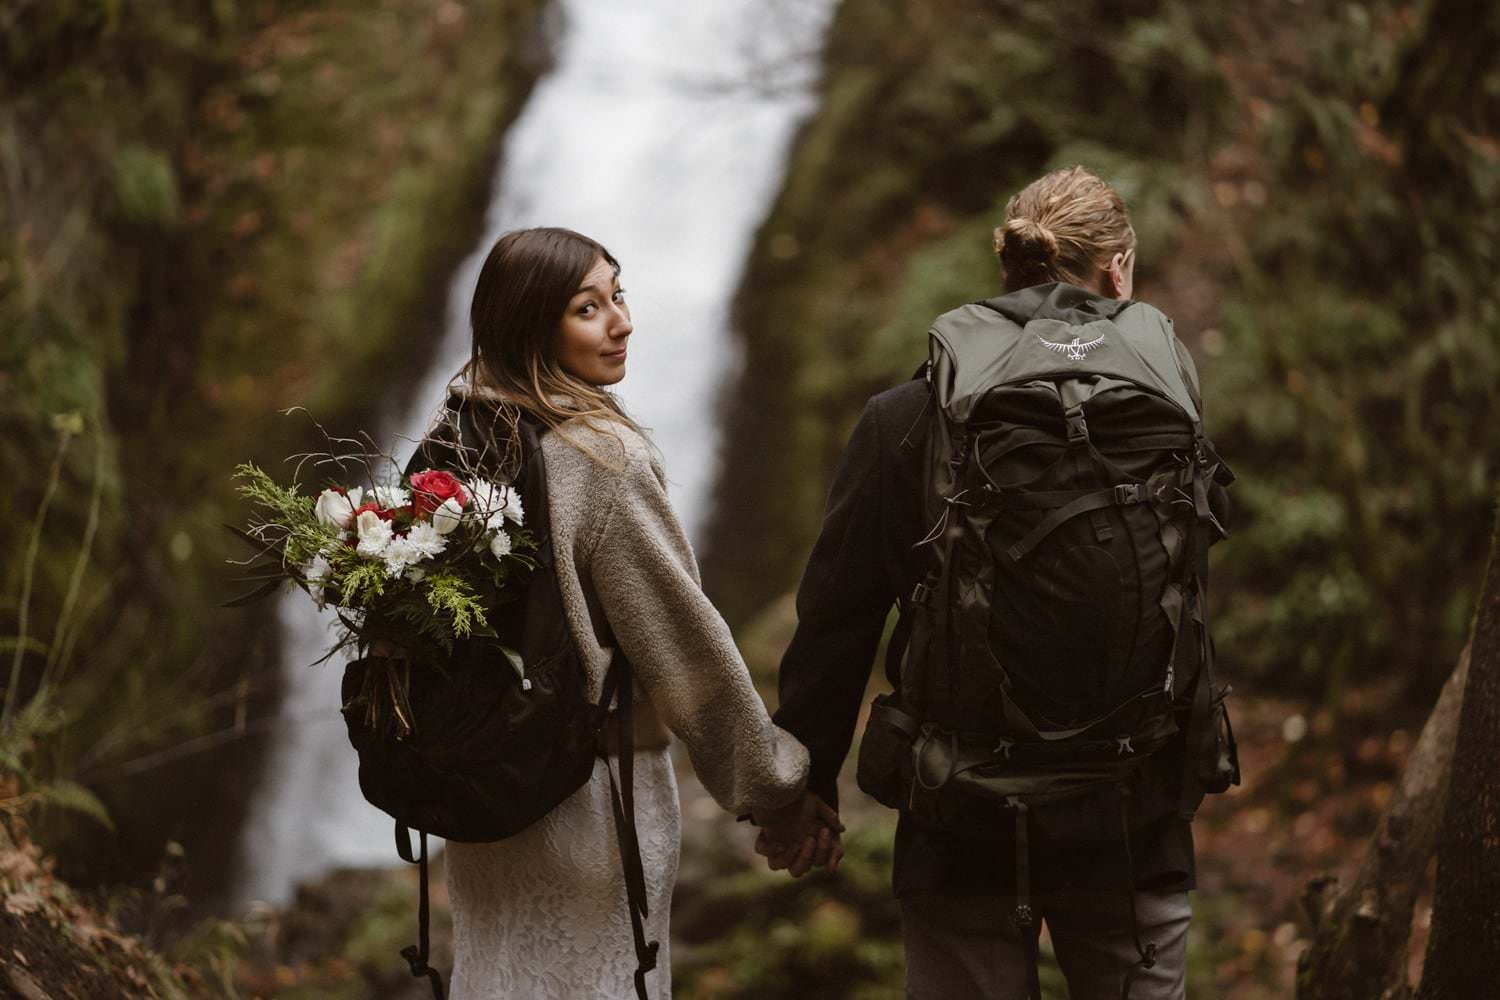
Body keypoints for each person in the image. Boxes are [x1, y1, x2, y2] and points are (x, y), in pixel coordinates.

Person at [764, 167, 1225, 999]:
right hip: (1134, 812)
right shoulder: (1164, 412)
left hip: (962, 813)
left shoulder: (904, 420)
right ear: (1120, 270)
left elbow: (836, 622)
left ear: (1007, 267)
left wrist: (801, 791)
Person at [434, 226, 834, 999]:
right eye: (589, 307)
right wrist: (775, 790)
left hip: (486, 803)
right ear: (530, 323)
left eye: (619, 296)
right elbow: (683, 645)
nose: (621, 322)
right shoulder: (597, 457)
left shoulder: (456, 436)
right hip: (589, 797)